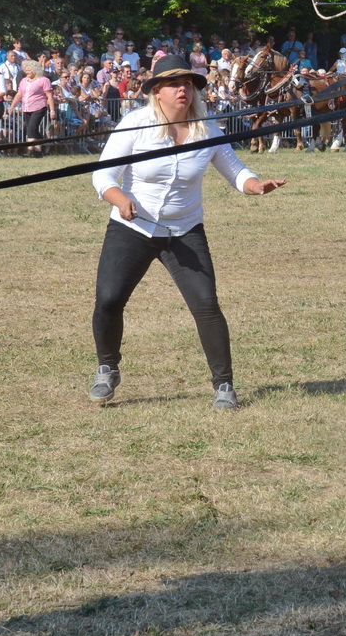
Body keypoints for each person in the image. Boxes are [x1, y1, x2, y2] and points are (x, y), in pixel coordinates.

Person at [89, 55, 285, 410]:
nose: (183, 89)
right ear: (157, 91)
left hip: (184, 230)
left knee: (206, 305)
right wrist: (119, 199)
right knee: (109, 298)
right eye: (175, 84)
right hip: (132, 227)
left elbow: (235, 170)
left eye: (188, 83)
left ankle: (224, 387)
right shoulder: (136, 124)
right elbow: (103, 174)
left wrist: (255, 185)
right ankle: (107, 367)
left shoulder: (207, 130)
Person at [10, 60, 54, 154]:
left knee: (31, 127)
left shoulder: (43, 80)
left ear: (35, 70)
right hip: (26, 107)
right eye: (26, 70)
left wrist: (52, 110)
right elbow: (19, 94)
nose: (27, 72)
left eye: (29, 70)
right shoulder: (23, 81)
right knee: (32, 128)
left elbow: (49, 96)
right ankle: (38, 150)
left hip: (39, 106)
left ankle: (30, 150)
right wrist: (12, 106)